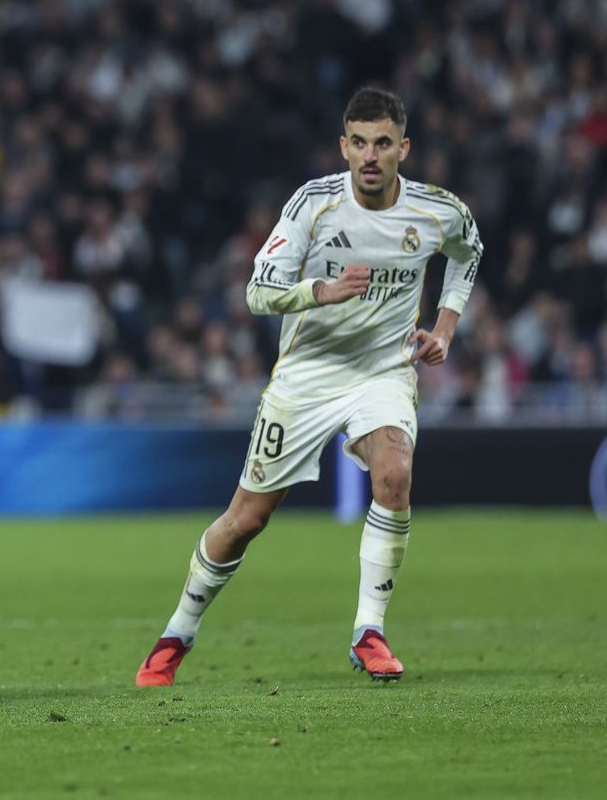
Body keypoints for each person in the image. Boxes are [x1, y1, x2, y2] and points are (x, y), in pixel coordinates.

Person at [136, 86, 483, 685]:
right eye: (359, 143)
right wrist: (318, 291)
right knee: (246, 519)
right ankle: (177, 633)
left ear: (403, 148)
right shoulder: (313, 205)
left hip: (383, 370)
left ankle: (369, 632)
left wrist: (445, 327)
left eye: (382, 144)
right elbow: (256, 291)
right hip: (307, 376)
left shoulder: (437, 211)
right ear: (343, 147)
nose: (370, 156)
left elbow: (467, 252)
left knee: (395, 473)